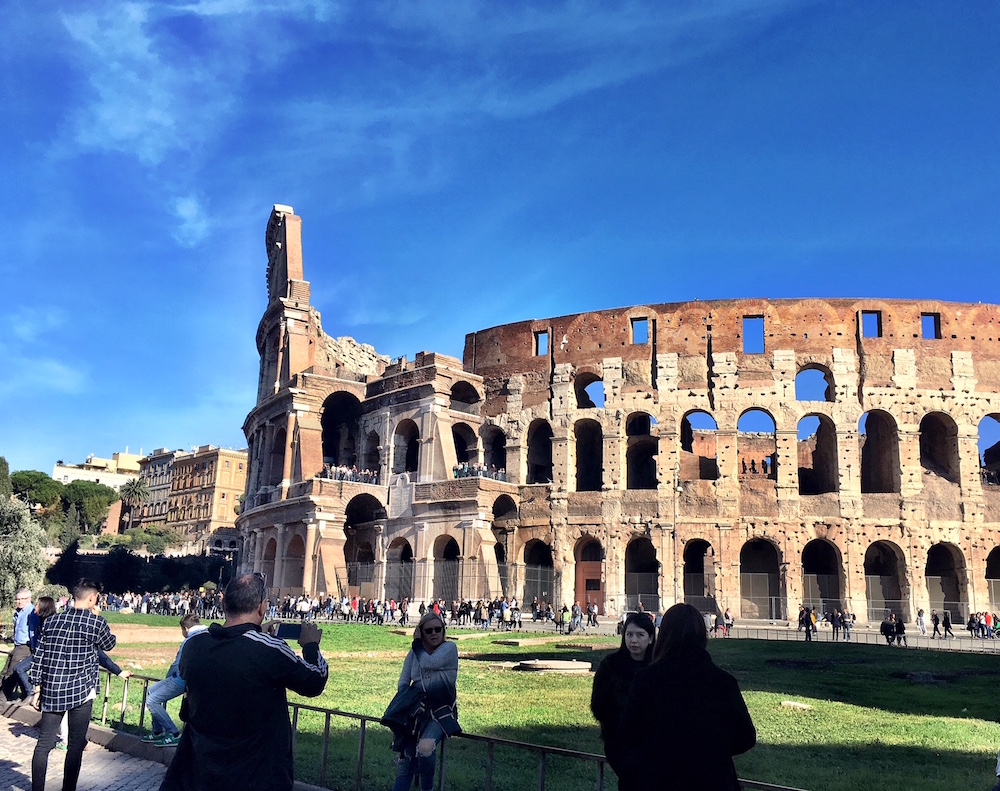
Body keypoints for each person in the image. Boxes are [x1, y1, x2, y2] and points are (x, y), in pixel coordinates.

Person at [159, 573, 328, 791]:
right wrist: (311, 646)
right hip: (256, 775)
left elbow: (231, 652)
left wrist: (252, 634)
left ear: (223, 603)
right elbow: (315, 680)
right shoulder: (269, 648)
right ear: (262, 607)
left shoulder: (194, 646)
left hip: (201, 771)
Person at [617, 603, 756, 791]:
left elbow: (628, 734)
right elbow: (746, 736)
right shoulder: (723, 682)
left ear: (664, 634)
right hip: (713, 779)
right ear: (702, 635)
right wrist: (711, 749)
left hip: (659, 778)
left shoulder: (646, 680)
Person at [29, 578, 116, 791]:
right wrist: (98, 617)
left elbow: (39, 656)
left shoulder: (51, 621)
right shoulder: (96, 622)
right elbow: (109, 644)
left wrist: (37, 688)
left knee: (43, 744)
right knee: (75, 746)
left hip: (53, 687)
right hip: (82, 689)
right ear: (92, 598)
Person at [391, 611, 460, 791]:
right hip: (416, 712)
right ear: (421, 632)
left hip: (441, 712)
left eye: (438, 629)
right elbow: (403, 681)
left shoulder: (449, 648)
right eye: (428, 631)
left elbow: (430, 662)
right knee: (406, 762)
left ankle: (426, 788)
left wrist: (416, 643)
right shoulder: (414, 654)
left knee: (425, 747)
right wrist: (409, 700)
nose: (434, 633)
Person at [590, 613, 654, 791]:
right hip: (619, 741)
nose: (633, 640)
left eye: (640, 635)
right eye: (629, 634)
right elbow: (599, 705)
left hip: (652, 742)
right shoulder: (610, 665)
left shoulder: (658, 666)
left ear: (650, 639)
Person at [142, 613, 208, 746]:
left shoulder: (189, 640)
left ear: (186, 629)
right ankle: (157, 731)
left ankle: (174, 733)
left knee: (151, 701)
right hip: (195, 677)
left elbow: (177, 663)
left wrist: (168, 678)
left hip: (182, 678)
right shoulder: (207, 634)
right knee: (152, 690)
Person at [0, 588, 34, 700]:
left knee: (12, 671)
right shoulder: (18, 612)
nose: (19, 601)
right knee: (5, 670)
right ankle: (24, 694)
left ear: (29, 599)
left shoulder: (31, 612)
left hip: (26, 646)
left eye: (22, 599)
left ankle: (3, 698)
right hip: (17, 645)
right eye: (18, 599)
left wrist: (34, 649)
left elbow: (34, 631)